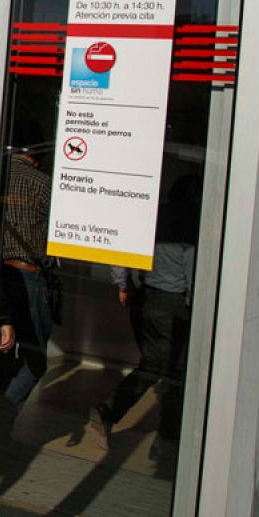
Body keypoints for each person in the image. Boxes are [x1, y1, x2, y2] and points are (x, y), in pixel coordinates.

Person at [87, 179, 198, 461]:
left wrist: (122, 283)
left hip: (147, 298)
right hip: (174, 305)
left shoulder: (152, 216)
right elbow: (192, 270)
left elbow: (121, 246)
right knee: (172, 372)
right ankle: (163, 441)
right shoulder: (191, 223)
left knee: (156, 365)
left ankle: (108, 414)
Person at [0, 125, 54, 407]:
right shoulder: (42, 183)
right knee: (36, 357)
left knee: (2, 349)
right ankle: (5, 408)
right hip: (29, 275)